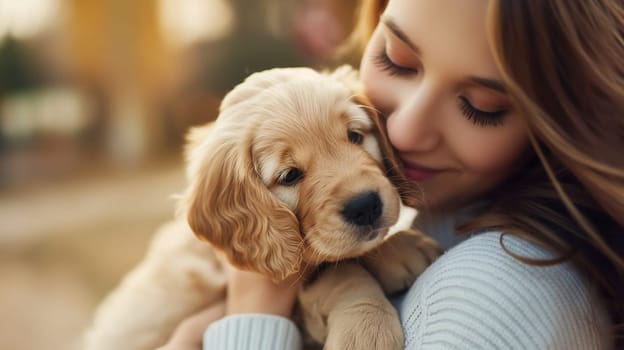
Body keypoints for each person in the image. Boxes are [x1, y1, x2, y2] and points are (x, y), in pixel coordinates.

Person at [160, 0, 624, 348]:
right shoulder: (434, 226)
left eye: (481, 107)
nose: (399, 129)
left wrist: (251, 318)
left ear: (560, 121)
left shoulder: (486, 299)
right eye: (396, 60)